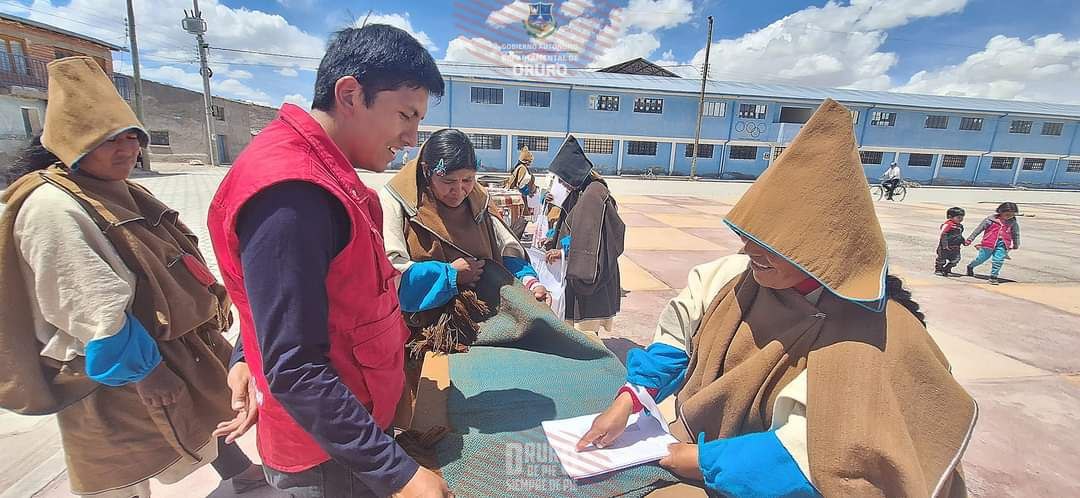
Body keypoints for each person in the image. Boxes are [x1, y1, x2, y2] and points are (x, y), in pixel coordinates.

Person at [576, 99, 976, 497]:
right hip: (700, 450)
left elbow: (826, 456)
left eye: (771, 244)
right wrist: (630, 399)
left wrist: (700, 461)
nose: (750, 251)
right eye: (749, 237)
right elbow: (673, 346)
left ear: (823, 249)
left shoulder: (874, 335)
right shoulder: (728, 279)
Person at [0, 57, 265, 497]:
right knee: (120, 470)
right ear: (73, 143)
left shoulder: (121, 189)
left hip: (173, 349)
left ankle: (243, 474)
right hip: (116, 373)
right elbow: (89, 304)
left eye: (132, 139)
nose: (126, 151)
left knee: (203, 416)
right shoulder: (53, 207)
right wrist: (147, 373)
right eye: (108, 142)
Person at [205, 25, 452, 497]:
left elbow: (274, 296)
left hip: (349, 428)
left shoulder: (323, 175)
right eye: (405, 115)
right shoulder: (294, 193)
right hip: (329, 457)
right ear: (350, 94)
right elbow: (294, 365)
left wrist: (243, 353)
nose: (411, 137)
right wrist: (395, 472)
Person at [379, 129, 549, 424]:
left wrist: (530, 282)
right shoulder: (396, 202)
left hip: (480, 329)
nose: (459, 191)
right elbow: (391, 278)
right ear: (426, 172)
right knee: (425, 416)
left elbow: (506, 249)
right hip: (419, 335)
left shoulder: (479, 201)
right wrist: (450, 275)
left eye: (467, 180)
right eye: (448, 182)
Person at [544, 135, 625, 335]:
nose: (561, 184)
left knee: (587, 330)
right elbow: (570, 224)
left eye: (563, 179)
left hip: (591, 271)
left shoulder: (592, 195)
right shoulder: (579, 191)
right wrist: (553, 238)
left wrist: (564, 254)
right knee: (578, 328)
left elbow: (590, 240)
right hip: (578, 267)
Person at [965, 202, 1021, 285]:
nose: (1009, 216)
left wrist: (1016, 244)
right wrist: (970, 239)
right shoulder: (990, 220)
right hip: (988, 244)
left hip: (1003, 245)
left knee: (998, 260)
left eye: (1012, 214)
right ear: (1000, 211)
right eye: (1007, 214)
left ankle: (993, 277)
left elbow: (1015, 234)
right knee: (980, 259)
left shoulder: (1012, 223)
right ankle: (970, 266)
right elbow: (978, 230)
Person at [936, 207, 966, 276]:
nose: (961, 219)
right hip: (945, 247)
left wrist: (963, 241)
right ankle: (939, 270)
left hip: (955, 247)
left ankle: (947, 269)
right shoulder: (948, 225)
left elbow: (959, 235)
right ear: (950, 217)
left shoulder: (960, 226)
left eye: (962, 217)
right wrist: (945, 245)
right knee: (941, 259)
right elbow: (943, 234)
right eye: (958, 217)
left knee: (956, 259)